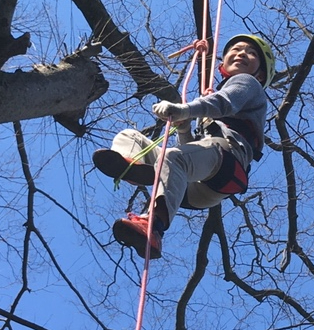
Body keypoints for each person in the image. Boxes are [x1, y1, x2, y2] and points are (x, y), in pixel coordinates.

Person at [92, 34, 276, 259]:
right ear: (222, 62)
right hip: (192, 187)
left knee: (172, 158)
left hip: (228, 161)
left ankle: (153, 227)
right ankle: (135, 168)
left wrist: (185, 110)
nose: (241, 54)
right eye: (236, 49)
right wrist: (184, 128)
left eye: (251, 53)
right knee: (130, 136)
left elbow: (224, 102)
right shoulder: (209, 112)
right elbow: (191, 151)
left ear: (260, 73)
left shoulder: (249, 84)